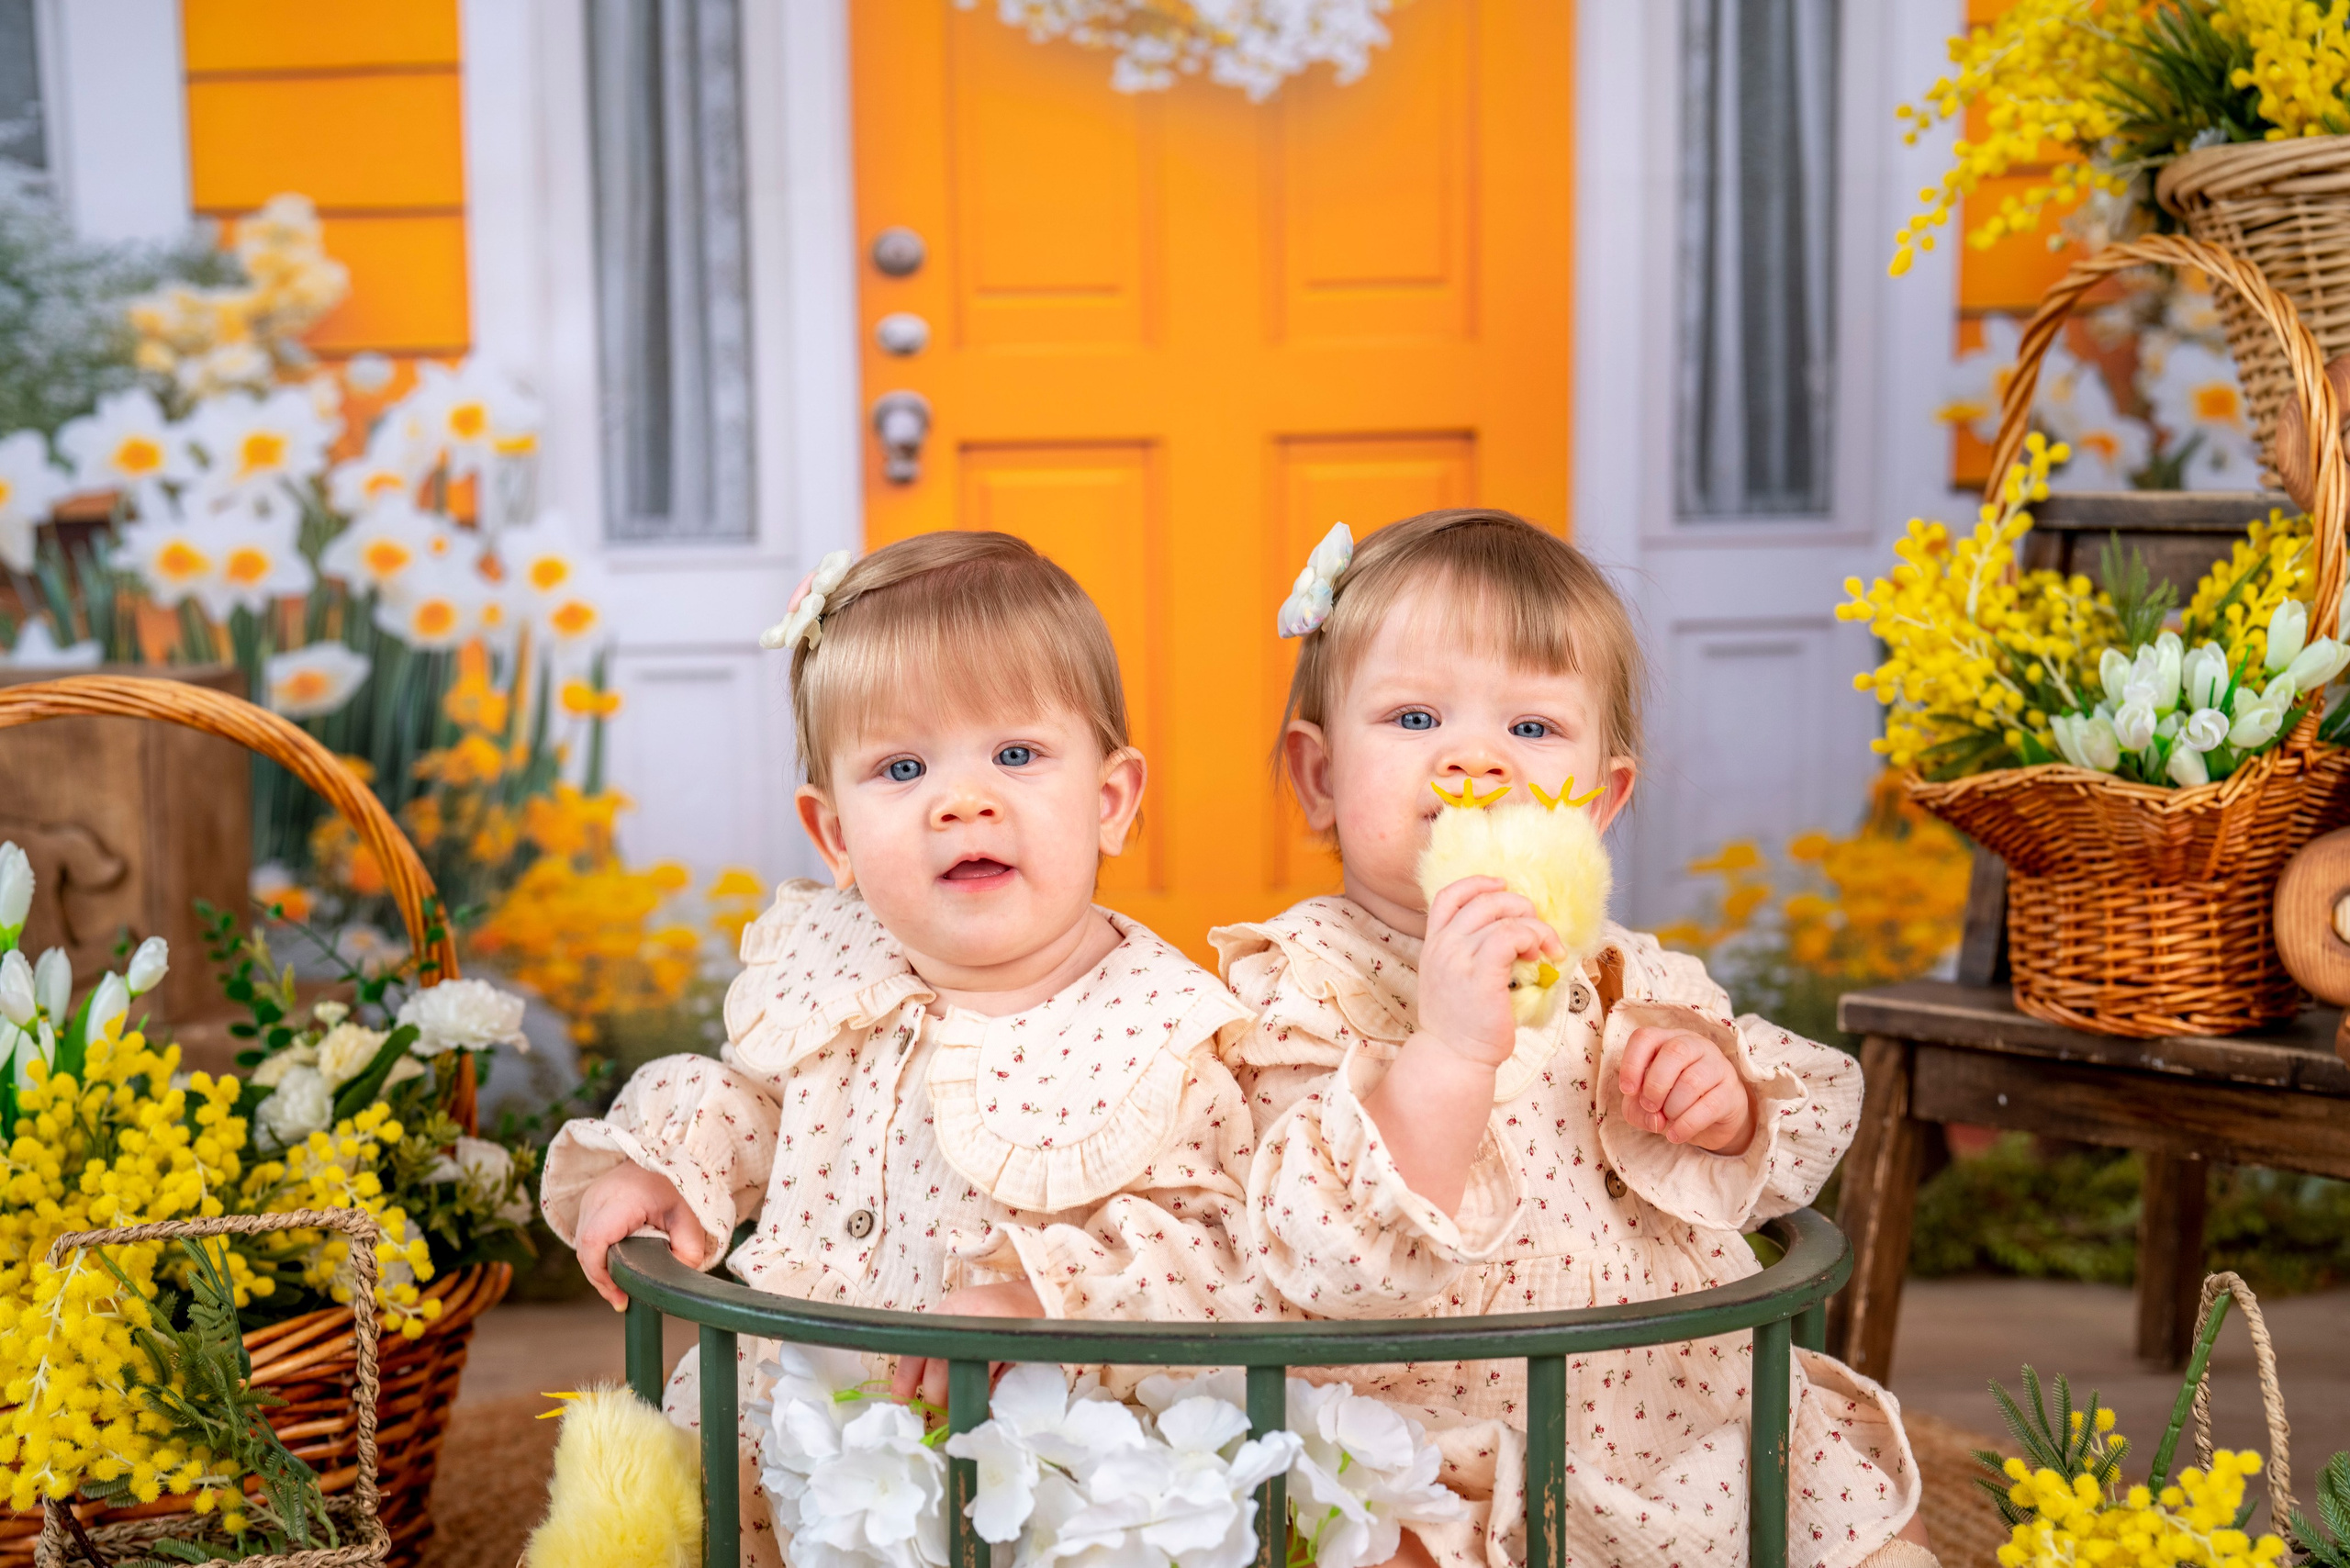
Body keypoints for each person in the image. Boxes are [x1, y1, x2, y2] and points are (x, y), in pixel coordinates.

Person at [540, 532, 1280, 1567]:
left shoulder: (1155, 1027)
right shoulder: (829, 963)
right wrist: (663, 1159)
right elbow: (754, 1098)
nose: (961, 799)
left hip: (1013, 1469)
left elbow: (1216, 1246)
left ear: (1110, 801)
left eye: (1016, 755)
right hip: (782, 1425)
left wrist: (1042, 1293)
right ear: (833, 832)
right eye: (901, 767)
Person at [1214, 509, 1932, 1568]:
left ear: (1601, 797)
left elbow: (1784, 1149)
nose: (1474, 760)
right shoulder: (1297, 985)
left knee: (1864, 1521)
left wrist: (1720, 1104)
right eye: (1413, 719)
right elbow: (1324, 1248)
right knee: (1373, 1543)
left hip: (1672, 1408)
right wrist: (1450, 1047)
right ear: (1319, 777)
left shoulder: (1623, 972)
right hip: (1446, 1432)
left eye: (1533, 729)